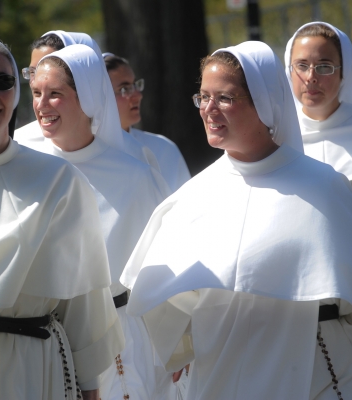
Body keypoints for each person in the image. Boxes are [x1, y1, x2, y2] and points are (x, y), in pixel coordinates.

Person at [120, 41, 352, 399]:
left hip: (311, 372)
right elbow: (165, 304)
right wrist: (183, 344)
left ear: (263, 101)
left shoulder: (325, 188)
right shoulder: (192, 197)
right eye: (203, 98)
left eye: (225, 98)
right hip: (219, 375)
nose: (209, 110)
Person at [28, 43, 175, 399]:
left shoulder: (138, 176)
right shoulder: (28, 170)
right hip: (48, 342)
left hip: (126, 343)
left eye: (55, 94)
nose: (41, 105)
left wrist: (180, 344)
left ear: (89, 98)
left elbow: (167, 268)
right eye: (36, 93)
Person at [0, 37, 124, 400]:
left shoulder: (58, 180)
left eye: (2, 82)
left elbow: (84, 299)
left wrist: (90, 386)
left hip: (36, 367)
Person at [15, 31, 162, 173]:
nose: (39, 78)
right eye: (33, 71)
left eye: (54, 62)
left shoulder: (137, 162)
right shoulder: (20, 146)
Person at [104, 53, 191, 193]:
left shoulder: (163, 150)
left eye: (135, 85)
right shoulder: (83, 156)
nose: (138, 95)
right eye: (124, 89)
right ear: (99, 98)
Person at [285, 22, 352, 180]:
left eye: (324, 66)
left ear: (344, 72)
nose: (311, 78)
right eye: (302, 65)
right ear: (289, 71)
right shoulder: (277, 138)